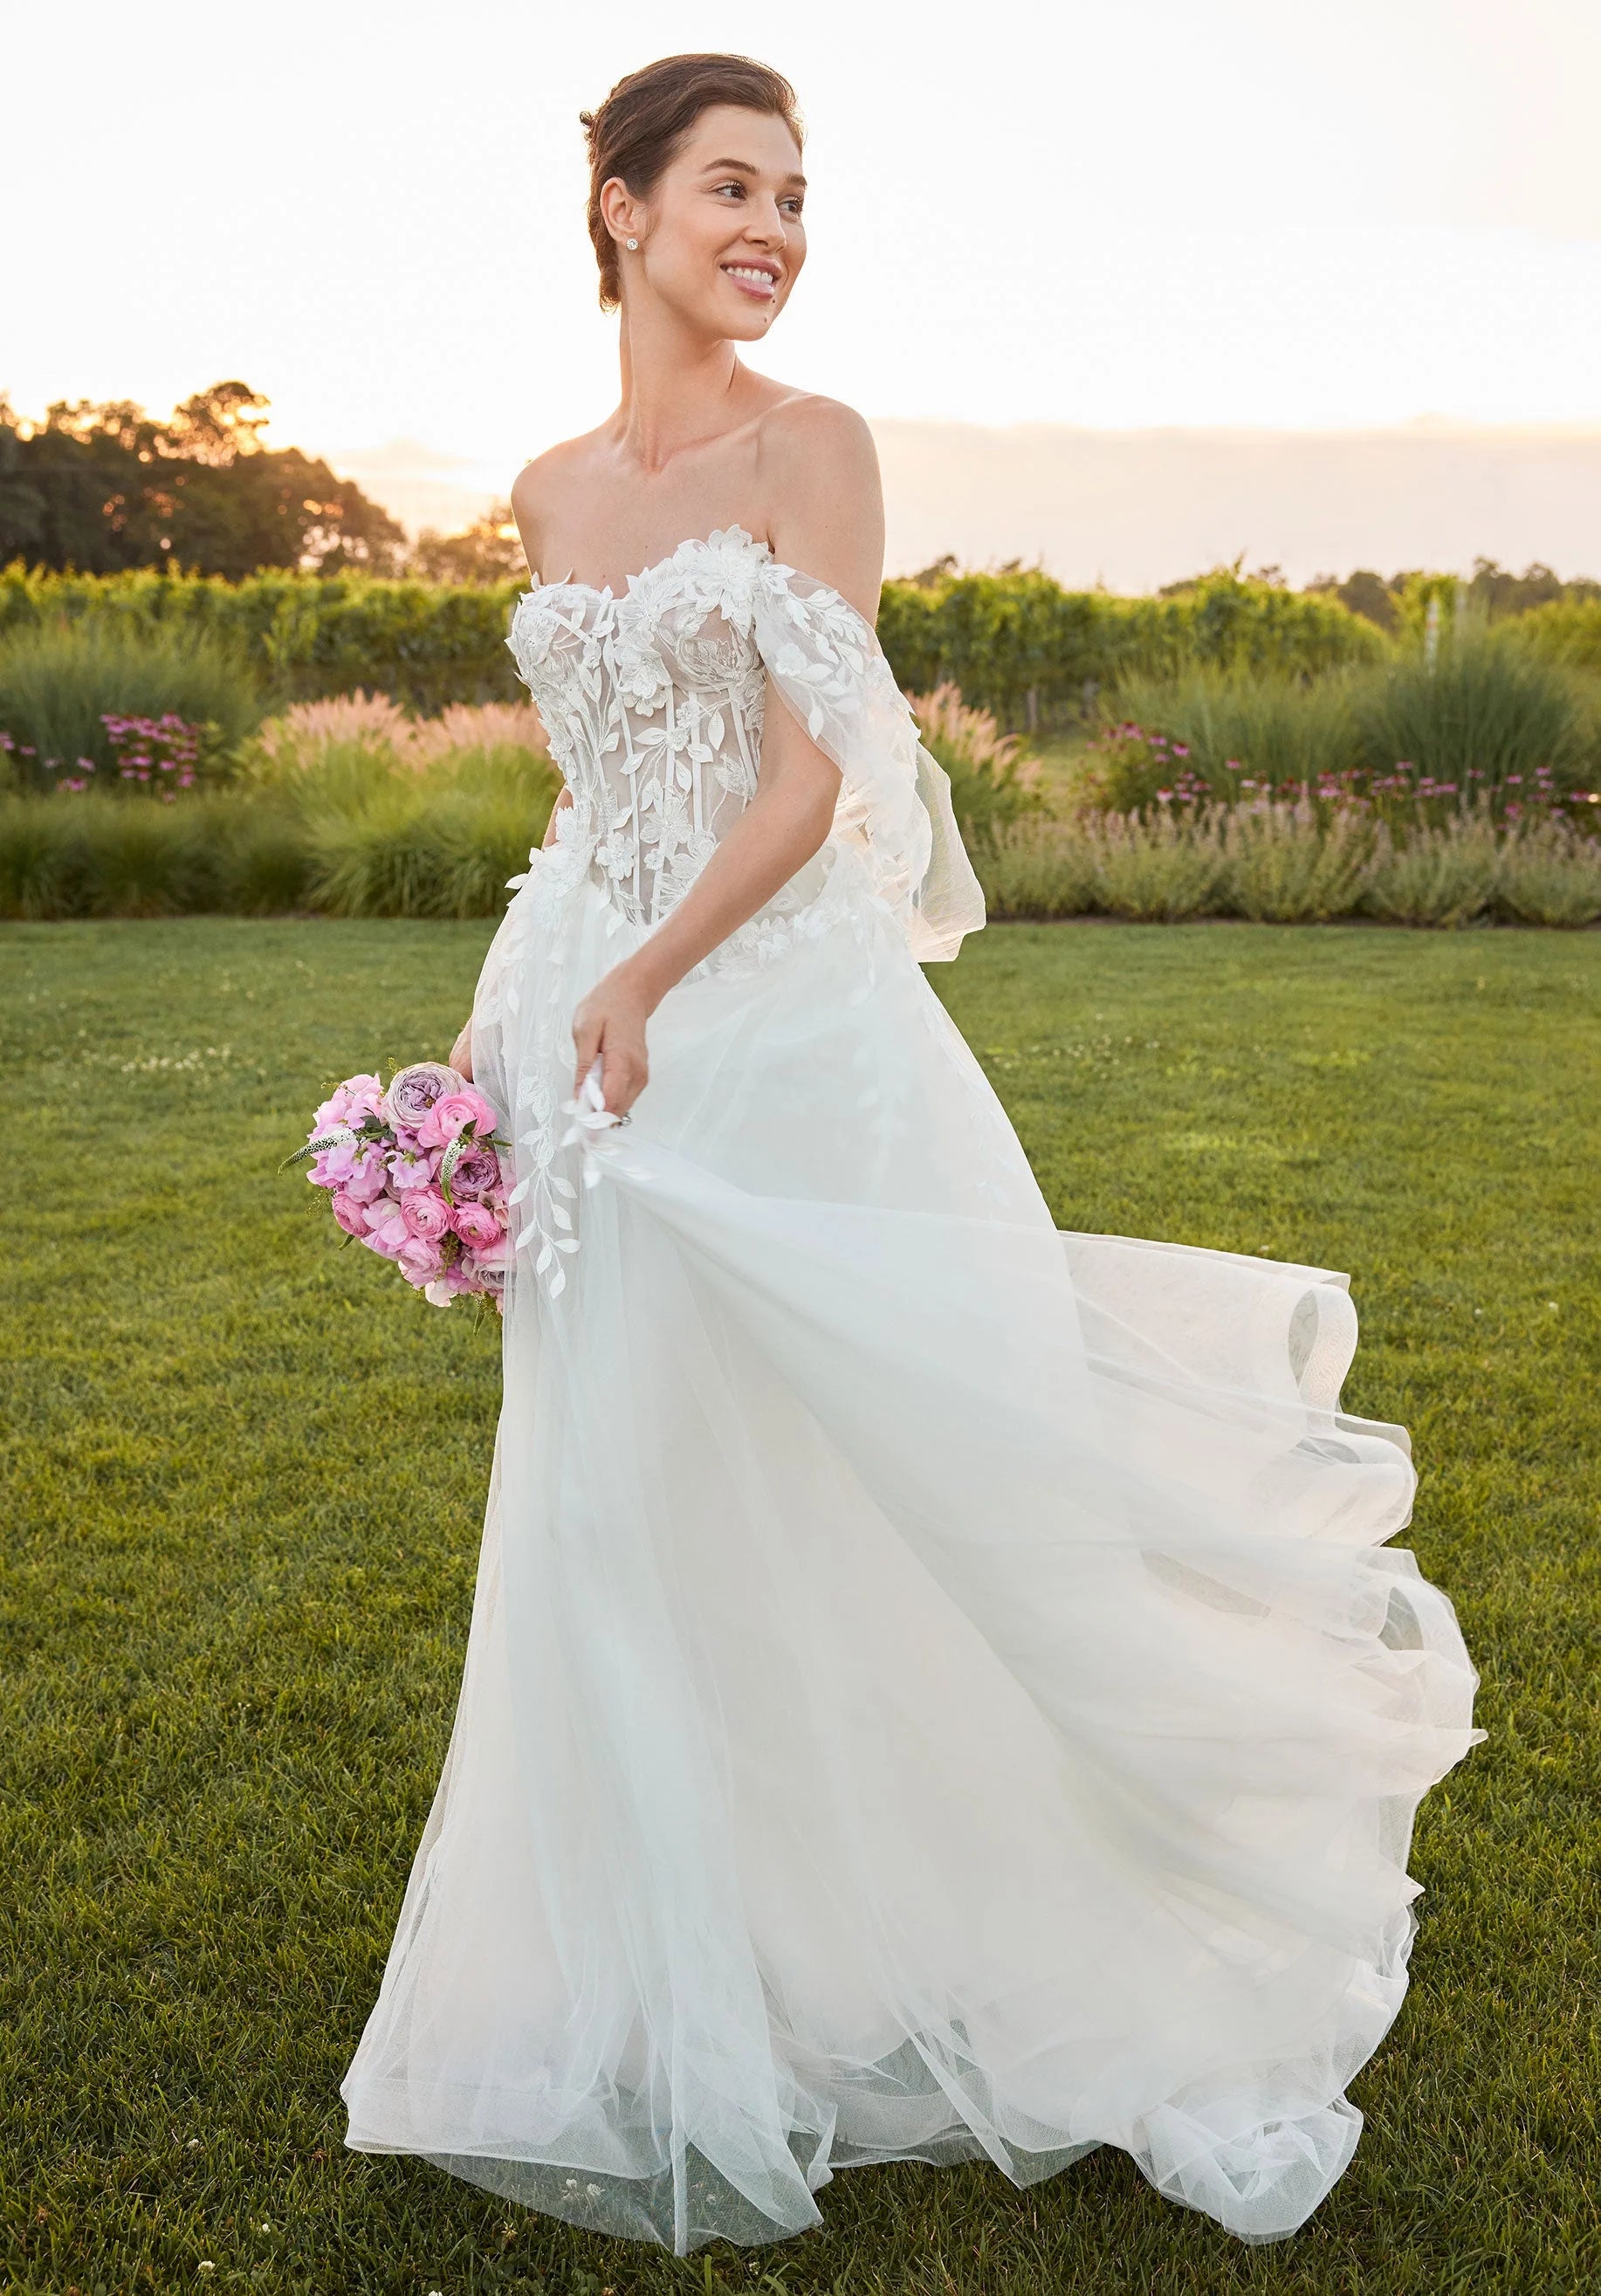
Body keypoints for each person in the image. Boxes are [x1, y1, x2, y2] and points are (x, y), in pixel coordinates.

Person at [340, 52, 1481, 2257]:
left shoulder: (816, 448)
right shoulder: (549, 490)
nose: (769, 226)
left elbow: (808, 781)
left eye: (794, 196)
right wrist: (510, 1015)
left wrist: (646, 976)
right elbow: (590, 787)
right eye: (729, 187)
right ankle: (673, 1962)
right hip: (584, 1020)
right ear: (618, 207)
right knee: (614, 1494)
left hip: (767, 1022)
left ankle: (965, 1909)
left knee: (886, 1465)